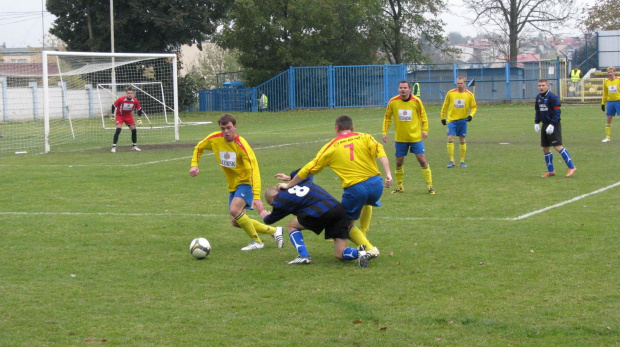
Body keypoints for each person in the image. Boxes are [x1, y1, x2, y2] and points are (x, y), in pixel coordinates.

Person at [277, 115, 392, 258]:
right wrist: (388, 174)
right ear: (353, 128)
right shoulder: (366, 137)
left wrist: (289, 183)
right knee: (365, 202)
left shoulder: (331, 147)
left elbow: (308, 169)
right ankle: (363, 231)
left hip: (356, 189)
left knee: (344, 222)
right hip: (376, 185)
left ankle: (369, 249)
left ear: (336, 128)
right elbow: (381, 152)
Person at [189, 113, 284, 251]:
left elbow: (253, 171)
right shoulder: (214, 139)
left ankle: (257, 242)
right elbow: (199, 147)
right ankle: (274, 231)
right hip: (233, 185)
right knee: (236, 221)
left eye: (228, 128)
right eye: (223, 128)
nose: (226, 132)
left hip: (246, 183)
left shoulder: (242, 146)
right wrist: (194, 164)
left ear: (235, 126)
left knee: (234, 210)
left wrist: (256, 196)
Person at [261, 169, 373, 267]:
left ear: (275, 196)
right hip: (338, 209)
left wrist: (265, 216)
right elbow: (307, 170)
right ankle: (361, 253)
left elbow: (271, 220)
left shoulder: (280, 200)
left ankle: (303, 256)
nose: (274, 206)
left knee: (292, 226)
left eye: (272, 204)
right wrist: (291, 178)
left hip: (320, 211)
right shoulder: (301, 181)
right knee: (340, 254)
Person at [382, 80, 436, 195]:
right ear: (398, 89)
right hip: (400, 138)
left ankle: (430, 186)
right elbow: (387, 117)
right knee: (399, 162)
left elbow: (423, 115)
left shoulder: (416, 101)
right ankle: (399, 187)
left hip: (415, 138)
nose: (403, 89)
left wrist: (425, 130)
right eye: (401, 87)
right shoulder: (393, 101)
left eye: (405, 87)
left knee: (422, 160)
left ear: (409, 89)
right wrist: (384, 132)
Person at [534, 79, 577, 178]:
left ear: (548, 86)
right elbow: (538, 111)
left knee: (558, 146)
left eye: (543, 85)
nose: (541, 87)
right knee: (545, 148)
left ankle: (572, 167)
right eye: (539, 85)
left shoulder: (553, 97)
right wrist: (536, 122)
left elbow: (557, 112)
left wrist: (553, 124)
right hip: (545, 125)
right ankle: (550, 171)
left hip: (553, 125)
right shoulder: (538, 98)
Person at [440, 76, 478, 168]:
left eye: (461, 83)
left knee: (462, 140)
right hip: (451, 120)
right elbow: (445, 105)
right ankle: (451, 161)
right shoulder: (450, 93)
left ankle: (462, 161)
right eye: (458, 83)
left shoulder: (469, 95)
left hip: (463, 120)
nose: (459, 85)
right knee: (450, 138)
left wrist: (471, 115)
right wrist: (442, 117)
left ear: (465, 83)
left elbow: (474, 107)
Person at [110, 87, 143, 153]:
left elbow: (139, 109)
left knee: (134, 130)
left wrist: (139, 118)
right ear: (126, 93)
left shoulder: (135, 101)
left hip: (128, 116)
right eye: (128, 93)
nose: (130, 94)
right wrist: (112, 115)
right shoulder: (121, 99)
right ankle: (114, 147)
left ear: (133, 94)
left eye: (131, 93)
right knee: (118, 129)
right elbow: (113, 105)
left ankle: (134, 146)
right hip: (120, 116)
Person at [601, 66, 620, 142]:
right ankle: (607, 137)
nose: (610, 73)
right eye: (609, 72)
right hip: (610, 102)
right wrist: (603, 103)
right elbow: (605, 93)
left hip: (618, 101)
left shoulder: (618, 80)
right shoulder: (606, 82)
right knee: (609, 118)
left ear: (614, 72)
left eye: (611, 72)